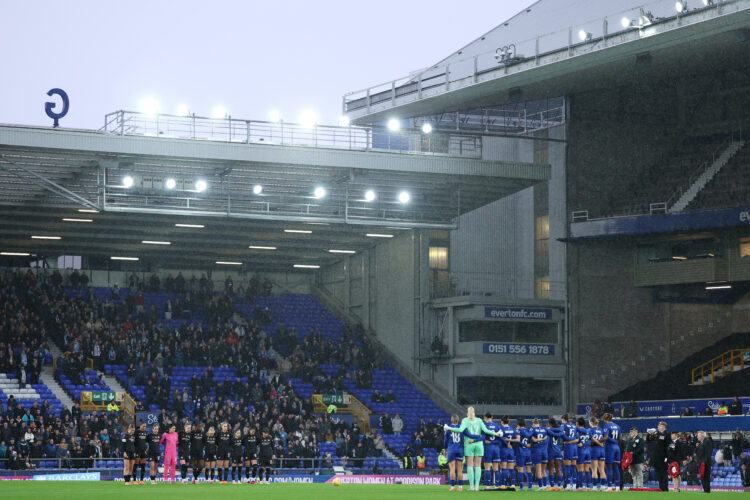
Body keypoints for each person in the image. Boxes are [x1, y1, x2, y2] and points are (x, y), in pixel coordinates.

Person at [444, 406, 504, 491]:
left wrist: (449, 428)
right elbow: (486, 431)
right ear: (474, 412)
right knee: (478, 466)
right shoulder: (479, 420)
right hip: (479, 444)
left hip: (469, 444)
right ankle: (477, 487)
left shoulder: (465, 420)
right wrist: (497, 434)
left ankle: (471, 486)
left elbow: (460, 430)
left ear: (467, 413)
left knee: (470, 465)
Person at [443, 414, 481, 491]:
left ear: (451, 420)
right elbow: (470, 435)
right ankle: (460, 487)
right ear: (458, 420)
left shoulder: (448, 428)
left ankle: (453, 487)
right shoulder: (462, 428)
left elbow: (445, 441)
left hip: (451, 450)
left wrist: (444, 449)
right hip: (460, 450)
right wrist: (478, 436)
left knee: (452, 469)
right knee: (460, 469)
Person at [480, 412, 507, 490]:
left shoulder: (484, 426)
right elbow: (501, 438)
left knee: (487, 468)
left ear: (485, 418)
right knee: (496, 468)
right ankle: (496, 486)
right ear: (492, 417)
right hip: (496, 449)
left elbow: (482, 437)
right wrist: (507, 445)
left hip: (488, 448)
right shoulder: (497, 426)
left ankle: (488, 486)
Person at [647, 421, 669, 492]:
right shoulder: (656, 434)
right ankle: (661, 487)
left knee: (664, 473)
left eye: (660, 426)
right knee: (658, 474)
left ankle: (665, 488)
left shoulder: (667, 434)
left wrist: (667, 457)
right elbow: (649, 440)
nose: (658, 427)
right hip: (656, 458)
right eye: (658, 426)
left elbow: (668, 446)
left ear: (664, 427)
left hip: (663, 457)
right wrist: (649, 433)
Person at [602, 413, 622, 492]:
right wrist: (617, 446)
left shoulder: (606, 426)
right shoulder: (617, 426)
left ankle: (609, 487)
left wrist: (598, 441)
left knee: (609, 468)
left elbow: (606, 437)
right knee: (616, 467)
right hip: (617, 448)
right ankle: (617, 487)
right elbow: (620, 439)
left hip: (610, 448)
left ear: (604, 419)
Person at [560, 414, 579, 490]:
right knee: (574, 467)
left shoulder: (563, 425)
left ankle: (568, 485)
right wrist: (572, 439)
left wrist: (568, 440)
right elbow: (577, 437)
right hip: (575, 448)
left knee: (567, 467)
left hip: (568, 448)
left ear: (563, 419)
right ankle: (574, 485)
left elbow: (563, 435)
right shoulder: (574, 426)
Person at [499, 415, 518, 488]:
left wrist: (506, 445)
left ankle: (503, 485)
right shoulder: (513, 430)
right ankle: (513, 485)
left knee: (503, 468)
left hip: (504, 450)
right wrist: (511, 445)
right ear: (509, 421)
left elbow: (501, 439)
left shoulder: (501, 430)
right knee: (511, 468)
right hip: (511, 450)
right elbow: (515, 440)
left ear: (502, 422)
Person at [530, 417, 550, 489]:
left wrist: (541, 439)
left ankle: (541, 486)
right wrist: (544, 439)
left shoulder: (532, 429)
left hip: (537, 451)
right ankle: (545, 485)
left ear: (533, 424)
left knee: (538, 470)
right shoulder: (545, 429)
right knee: (544, 470)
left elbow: (534, 440)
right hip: (544, 451)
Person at [515, 418, 534, 491]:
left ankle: (521, 487)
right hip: (528, 452)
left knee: (520, 469)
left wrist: (525, 445)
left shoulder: (518, 431)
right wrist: (528, 445)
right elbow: (531, 441)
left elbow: (518, 441)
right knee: (529, 470)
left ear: (518, 424)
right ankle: (530, 487)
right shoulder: (529, 431)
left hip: (521, 452)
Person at [546, 417, 564, 490]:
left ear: (550, 424)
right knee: (558, 469)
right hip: (558, 451)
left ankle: (552, 486)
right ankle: (559, 486)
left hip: (551, 451)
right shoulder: (559, 431)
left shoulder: (549, 430)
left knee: (550, 469)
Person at [589, 417, 606, 491]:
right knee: (602, 470)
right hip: (602, 450)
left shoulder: (591, 430)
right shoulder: (601, 430)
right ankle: (602, 487)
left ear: (591, 423)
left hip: (594, 450)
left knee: (594, 470)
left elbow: (590, 441)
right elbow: (604, 438)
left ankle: (595, 487)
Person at [576, 418, 593, 490]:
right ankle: (588, 487)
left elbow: (576, 441)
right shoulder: (588, 431)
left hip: (580, 451)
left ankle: (580, 487)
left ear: (577, 423)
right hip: (588, 451)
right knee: (587, 469)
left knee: (580, 470)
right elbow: (591, 440)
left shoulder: (577, 432)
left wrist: (579, 444)